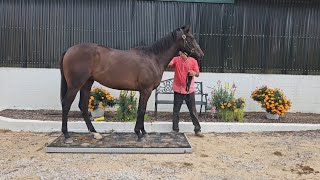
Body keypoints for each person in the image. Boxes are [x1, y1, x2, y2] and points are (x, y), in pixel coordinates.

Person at [168, 51, 204, 137]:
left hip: (189, 90)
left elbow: (197, 73)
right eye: (179, 53)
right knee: (176, 111)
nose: (180, 55)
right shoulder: (176, 59)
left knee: (192, 110)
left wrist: (193, 73)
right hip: (178, 90)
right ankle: (175, 129)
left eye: (182, 53)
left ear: (186, 54)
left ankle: (197, 129)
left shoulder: (193, 61)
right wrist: (169, 61)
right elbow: (170, 64)